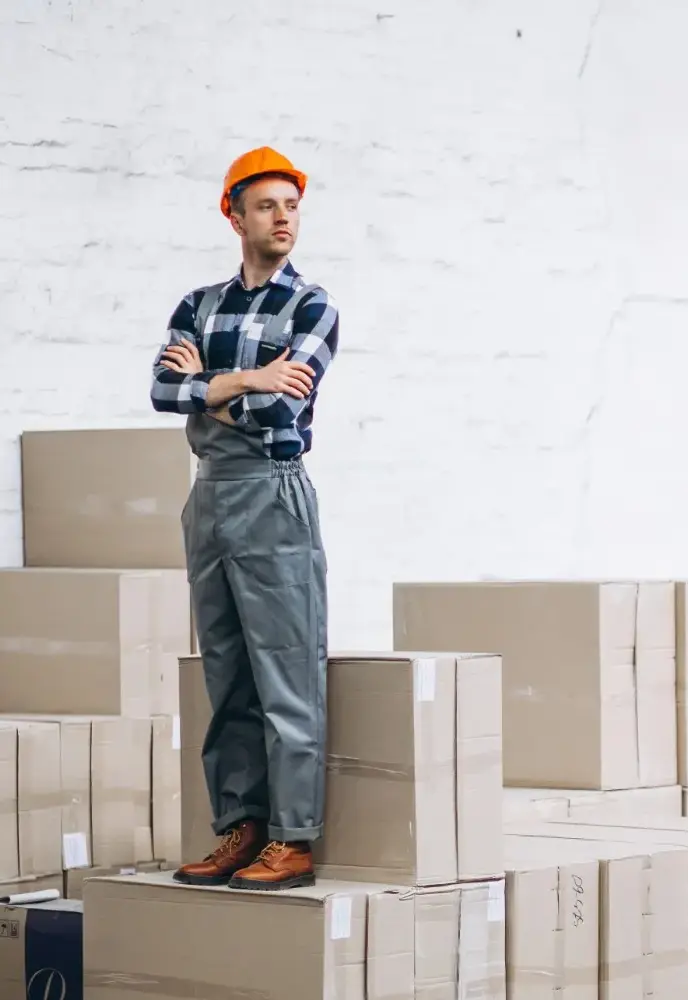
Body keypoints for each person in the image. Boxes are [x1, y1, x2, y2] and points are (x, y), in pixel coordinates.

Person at [150, 147, 338, 890]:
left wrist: (216, 385)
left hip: (272, 490)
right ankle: (241, 826)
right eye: (267, 205)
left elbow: (278, 405)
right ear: (234, 215)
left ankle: (292, 838)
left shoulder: (312, 306)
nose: (283, 217)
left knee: (286, 670)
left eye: (291, 205)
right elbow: (163, 392)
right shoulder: (196, 304)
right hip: (211, 497)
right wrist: (249, 377)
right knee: (227, 676)